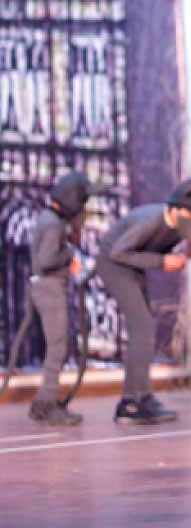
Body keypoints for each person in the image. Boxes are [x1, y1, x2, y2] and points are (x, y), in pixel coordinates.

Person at [97, 178, 191, 424]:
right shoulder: (150, 220)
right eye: (190, 216)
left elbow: (188, 245)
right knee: (143, 328)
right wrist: (162, 262)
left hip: (132, 264)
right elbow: (118, 252)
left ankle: (137, 398)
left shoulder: (187, 221)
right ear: (175, 209)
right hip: (114, 264)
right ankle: (132, 401)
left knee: (144, 329)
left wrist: (190, 245)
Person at [27, 171, 101, 426]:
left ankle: (41, 403)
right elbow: (47, 260)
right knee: (58, 348)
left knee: (57, 347)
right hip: (49, 289)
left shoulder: (51, 219)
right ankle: (48, 406)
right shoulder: (53, 224)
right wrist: (69, 255)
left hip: (47, 287)